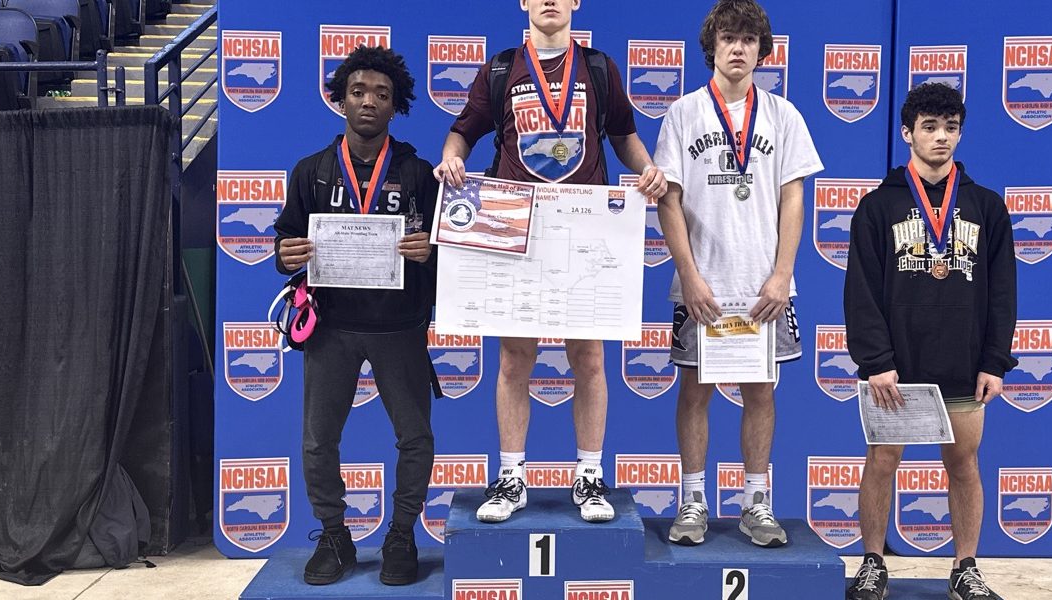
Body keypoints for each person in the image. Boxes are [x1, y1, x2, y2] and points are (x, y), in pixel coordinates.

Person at [433, 0, 666, 524]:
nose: (550, 1)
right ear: (524, 2)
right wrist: (452, 159)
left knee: (589, 359)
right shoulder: (501, 69)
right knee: (515, 360)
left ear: (576, 2)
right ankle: (511, 476)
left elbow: (624, 135)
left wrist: (648, 168)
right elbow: (463, 131)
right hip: (518, 227)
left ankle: (589, 475)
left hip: (586, 226)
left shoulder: (599, 68)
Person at [654, 0, 822, 548]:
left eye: (748, 40)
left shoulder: (783, 115)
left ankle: (756, 502)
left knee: (761, 392)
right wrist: (689, 275)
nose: (738, 48)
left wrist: (782, 275)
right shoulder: (683, 113)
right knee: (694, 391)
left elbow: (793, 199)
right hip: (702, 285)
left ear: (762, 51)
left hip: (762, 287)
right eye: (728, 38)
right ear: (713, 47)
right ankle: (693, 501)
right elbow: (668, 200)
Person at [273, 45, 439, 587]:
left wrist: (430, 252)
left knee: (415, 438)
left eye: (382, 94)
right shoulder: (311, 171)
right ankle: (334, 535)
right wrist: (285, 255)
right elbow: (285, 241)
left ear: (397, 105)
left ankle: (402, 534)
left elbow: (446, 251)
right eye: (358, 92)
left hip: (400, 327)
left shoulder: (418, 173)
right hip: (332, 328)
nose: (369, 101)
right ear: (340, 101)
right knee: (319, 440)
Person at [843, 82, 1017, 600]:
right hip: (896, 366)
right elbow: (860, 291)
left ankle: (965, 568)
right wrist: (876, 359)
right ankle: (872, 563)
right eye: (930, 127)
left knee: (964, 464)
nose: (942, 137)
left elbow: (1003, 292)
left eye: (951, 128)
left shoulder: (987, 207)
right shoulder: (878, 207)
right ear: (907, 133)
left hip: (963, 361)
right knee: (882, 460)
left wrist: (995, 361)